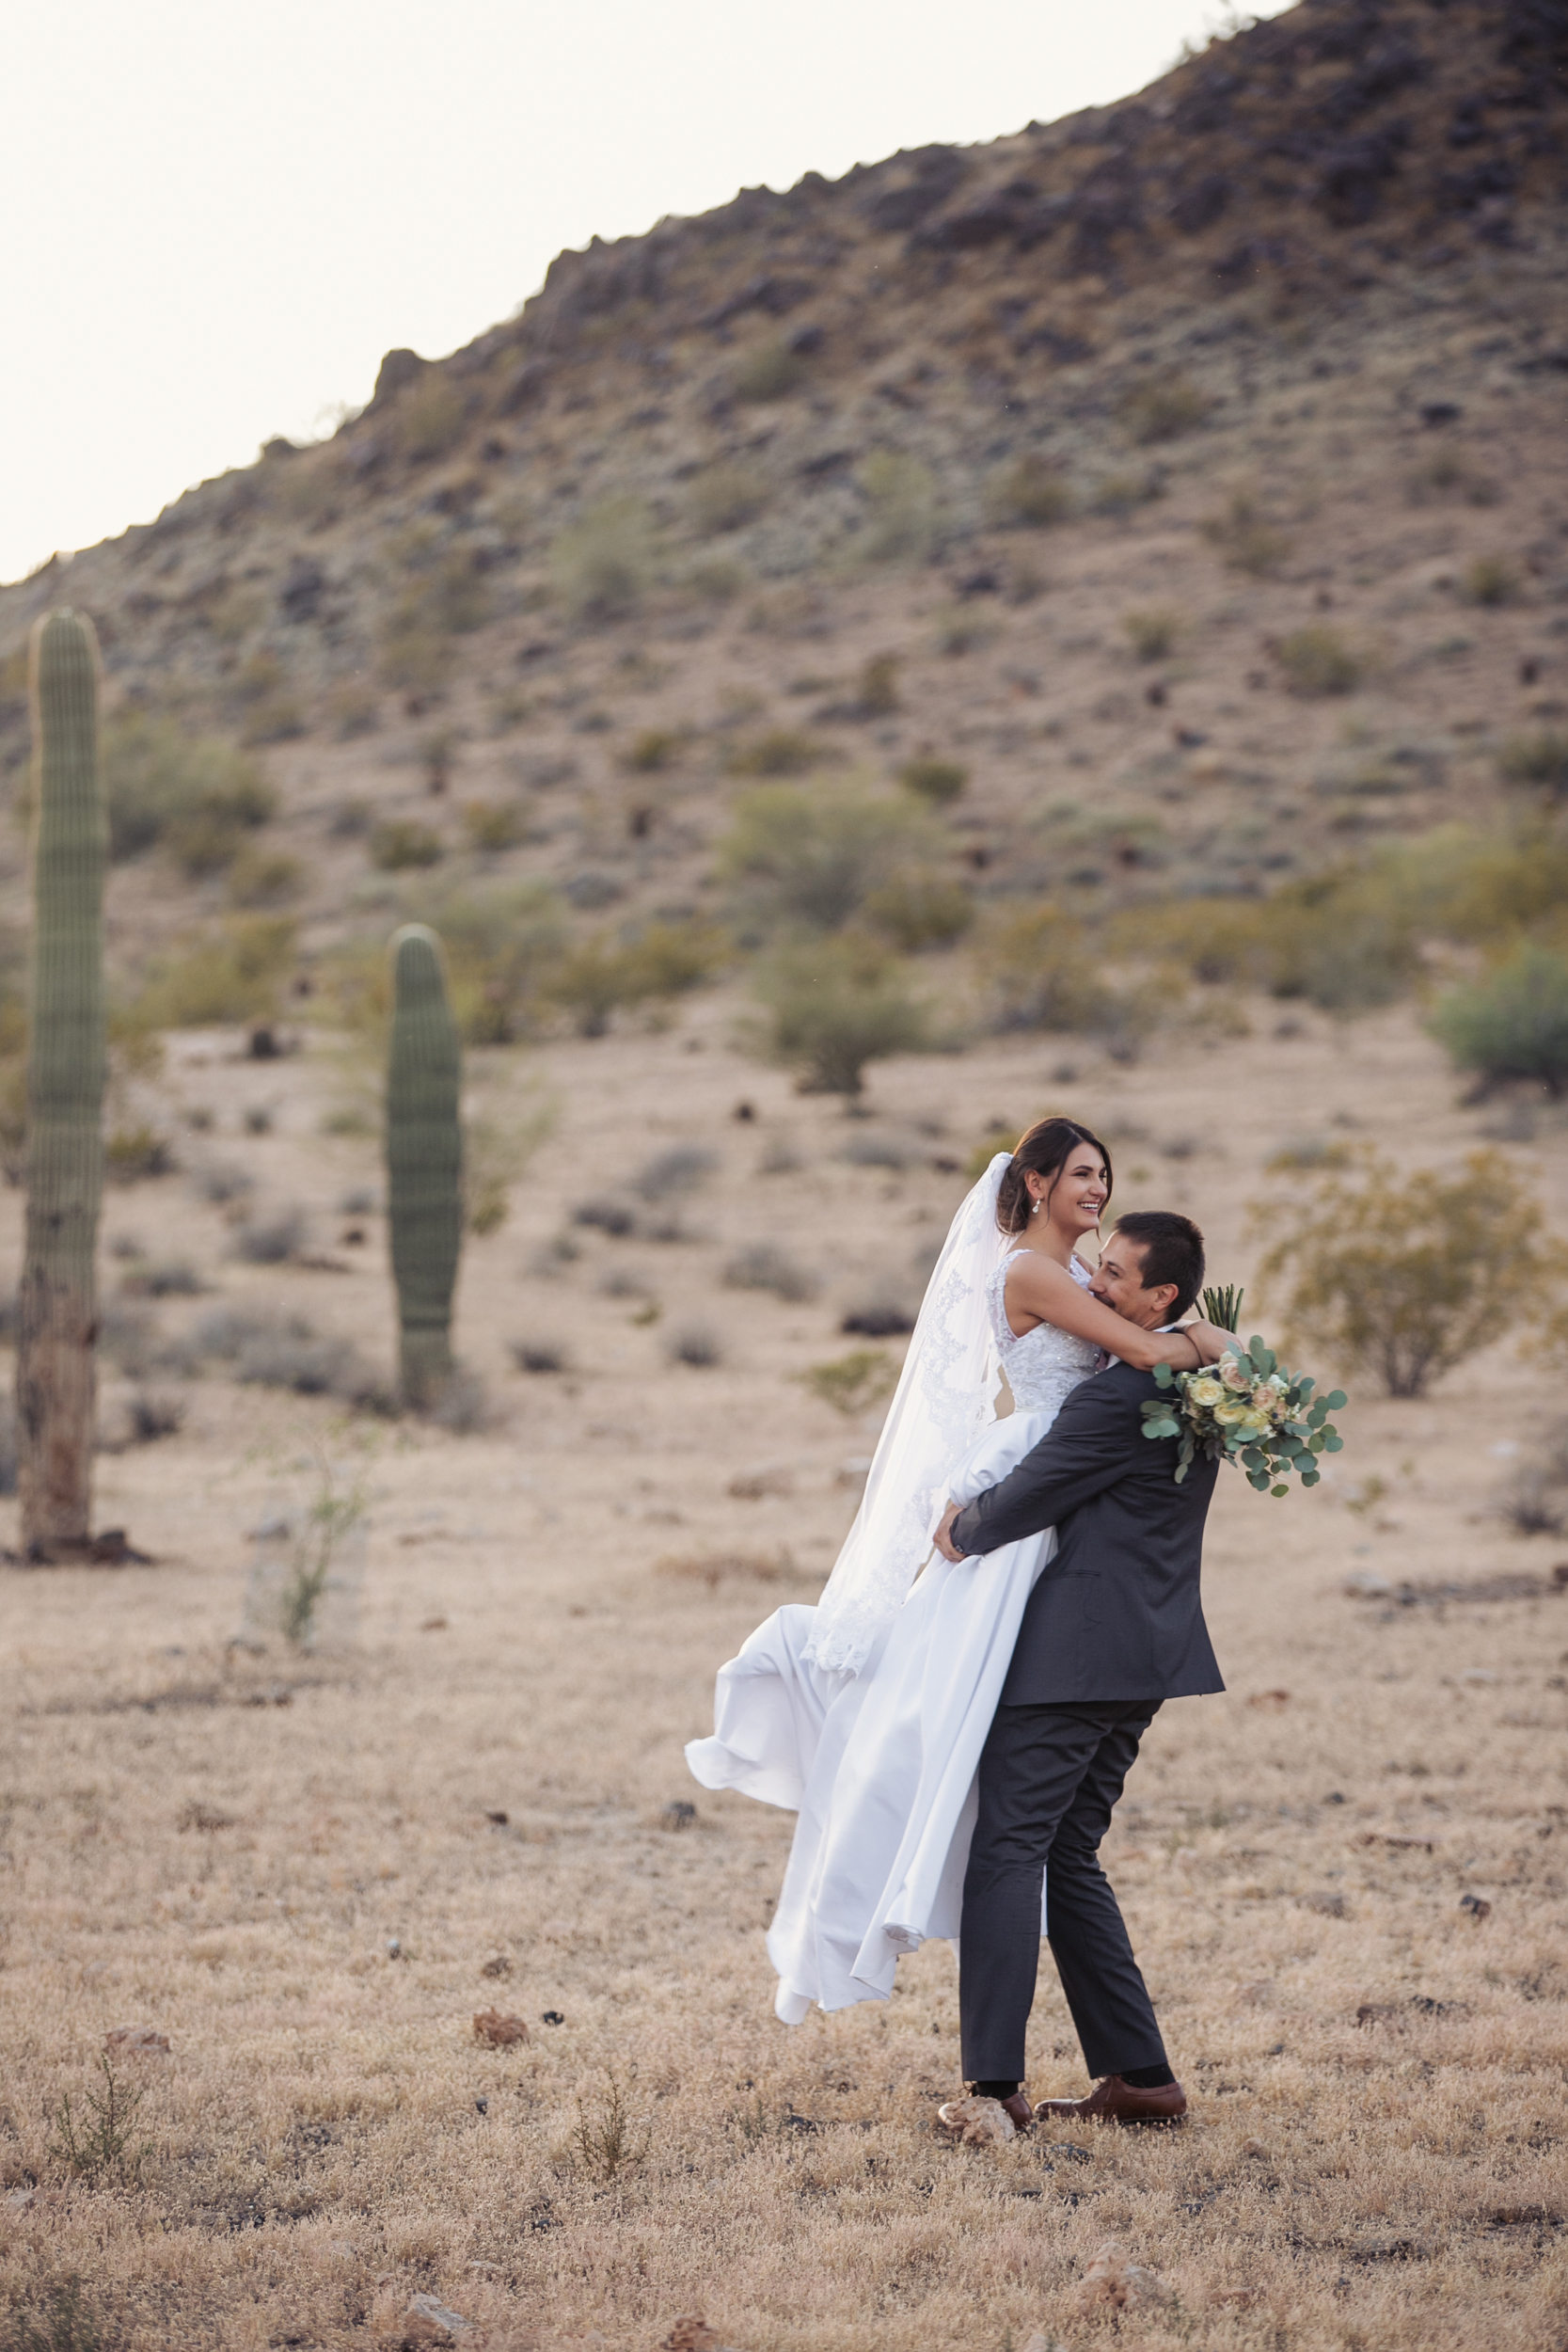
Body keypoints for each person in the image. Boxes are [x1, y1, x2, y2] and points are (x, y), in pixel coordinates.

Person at [685, 1119, 1227, 2031]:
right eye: (1081, 1174)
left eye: (1104, 1174)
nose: (1095, 1190)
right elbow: (1138, 1355)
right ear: (1036, 1180)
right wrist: (1211, 1345)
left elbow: (1125, 1351)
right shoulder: (1028, 1271)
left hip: (1070, 1486)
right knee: (967, 1738)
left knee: (1023, 1802)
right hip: (1040, 1475)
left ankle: (1083, 2057)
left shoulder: (1074, 1278)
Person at [932, 1209, 1223, 2134]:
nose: (1095, 1285)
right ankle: (1140, 2079)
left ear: (1160, 1297)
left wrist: (959, 1529)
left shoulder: (1112, 1397)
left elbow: (1028, 1497)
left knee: (1007, 1849)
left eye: (1116, 1276)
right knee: (1065, 1849)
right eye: (1096, 1267)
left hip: (1071, 1658)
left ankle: (990, 2091)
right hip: (1148, 1651)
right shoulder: (1202, 1382)